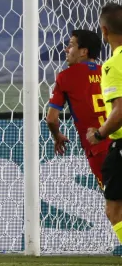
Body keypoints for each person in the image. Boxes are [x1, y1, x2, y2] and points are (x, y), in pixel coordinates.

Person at [47, 30, 113, 189]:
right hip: (117, 142)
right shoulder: (108, 72)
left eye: (70, 45)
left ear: (84, 51)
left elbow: (51, 118)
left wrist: (57, 136)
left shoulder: (65, 77)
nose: (65, 49)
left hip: (98, 149)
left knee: (114, 206)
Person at [91, 4, 122, 266]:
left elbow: (119, 112)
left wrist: (99, 133)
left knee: (115, 210)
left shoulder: (114, 63)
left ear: (104, 30)